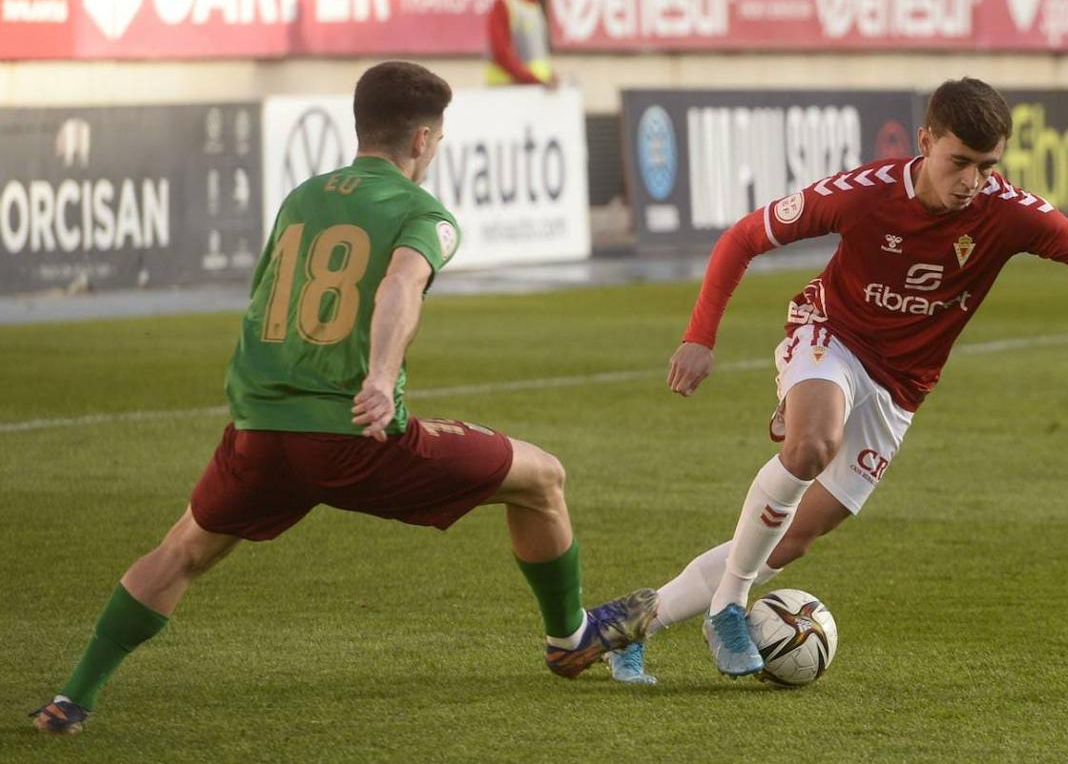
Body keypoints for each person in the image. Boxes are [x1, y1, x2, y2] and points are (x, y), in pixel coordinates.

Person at [31, 61, 656, 735]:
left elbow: (265, 297)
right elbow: (400, 285)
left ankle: (72, 699)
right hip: (351, 439)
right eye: (437, 140)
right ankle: (569, 640)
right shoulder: (425, 213)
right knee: (542, 477)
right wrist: (381, 379)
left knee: (183, 549)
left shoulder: (301, 197)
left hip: (259, 430)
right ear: (421, 141)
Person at [605, 77, 1068, 684]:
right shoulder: (864, 194)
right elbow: (744, 237)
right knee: (812, 443)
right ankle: (728, 610)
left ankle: (632, 624)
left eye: (986, 165)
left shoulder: (1009, 212)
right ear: (925, 141)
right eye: (959, 162)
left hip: (901, 388)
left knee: (789, 542)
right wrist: (699, 336)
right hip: (831, 335)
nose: (972, 180)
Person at [485, 0, 556, 87]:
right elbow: (501, 54)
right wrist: (531, 79)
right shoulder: (504, 4)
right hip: (509, 88)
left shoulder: (534, 6)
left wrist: (548, 76)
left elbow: (537, 54)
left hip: (533, 87)